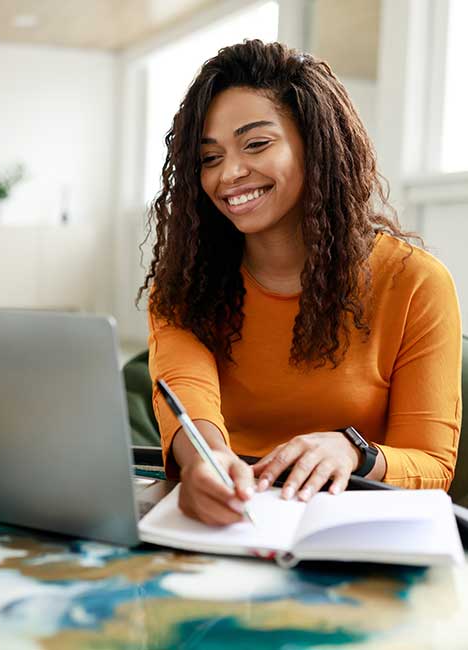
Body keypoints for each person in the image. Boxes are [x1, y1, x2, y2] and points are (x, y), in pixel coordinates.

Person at [138, 40, 462, 526]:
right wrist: (203, 459)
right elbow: (189, 393)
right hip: (226, 519)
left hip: (352, 526)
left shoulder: (414, 281)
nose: (230, 173)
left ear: (317, 143)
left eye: (256, 144)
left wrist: (354, 452)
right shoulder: (185, 281)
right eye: (209, 158)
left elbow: (433, 465)